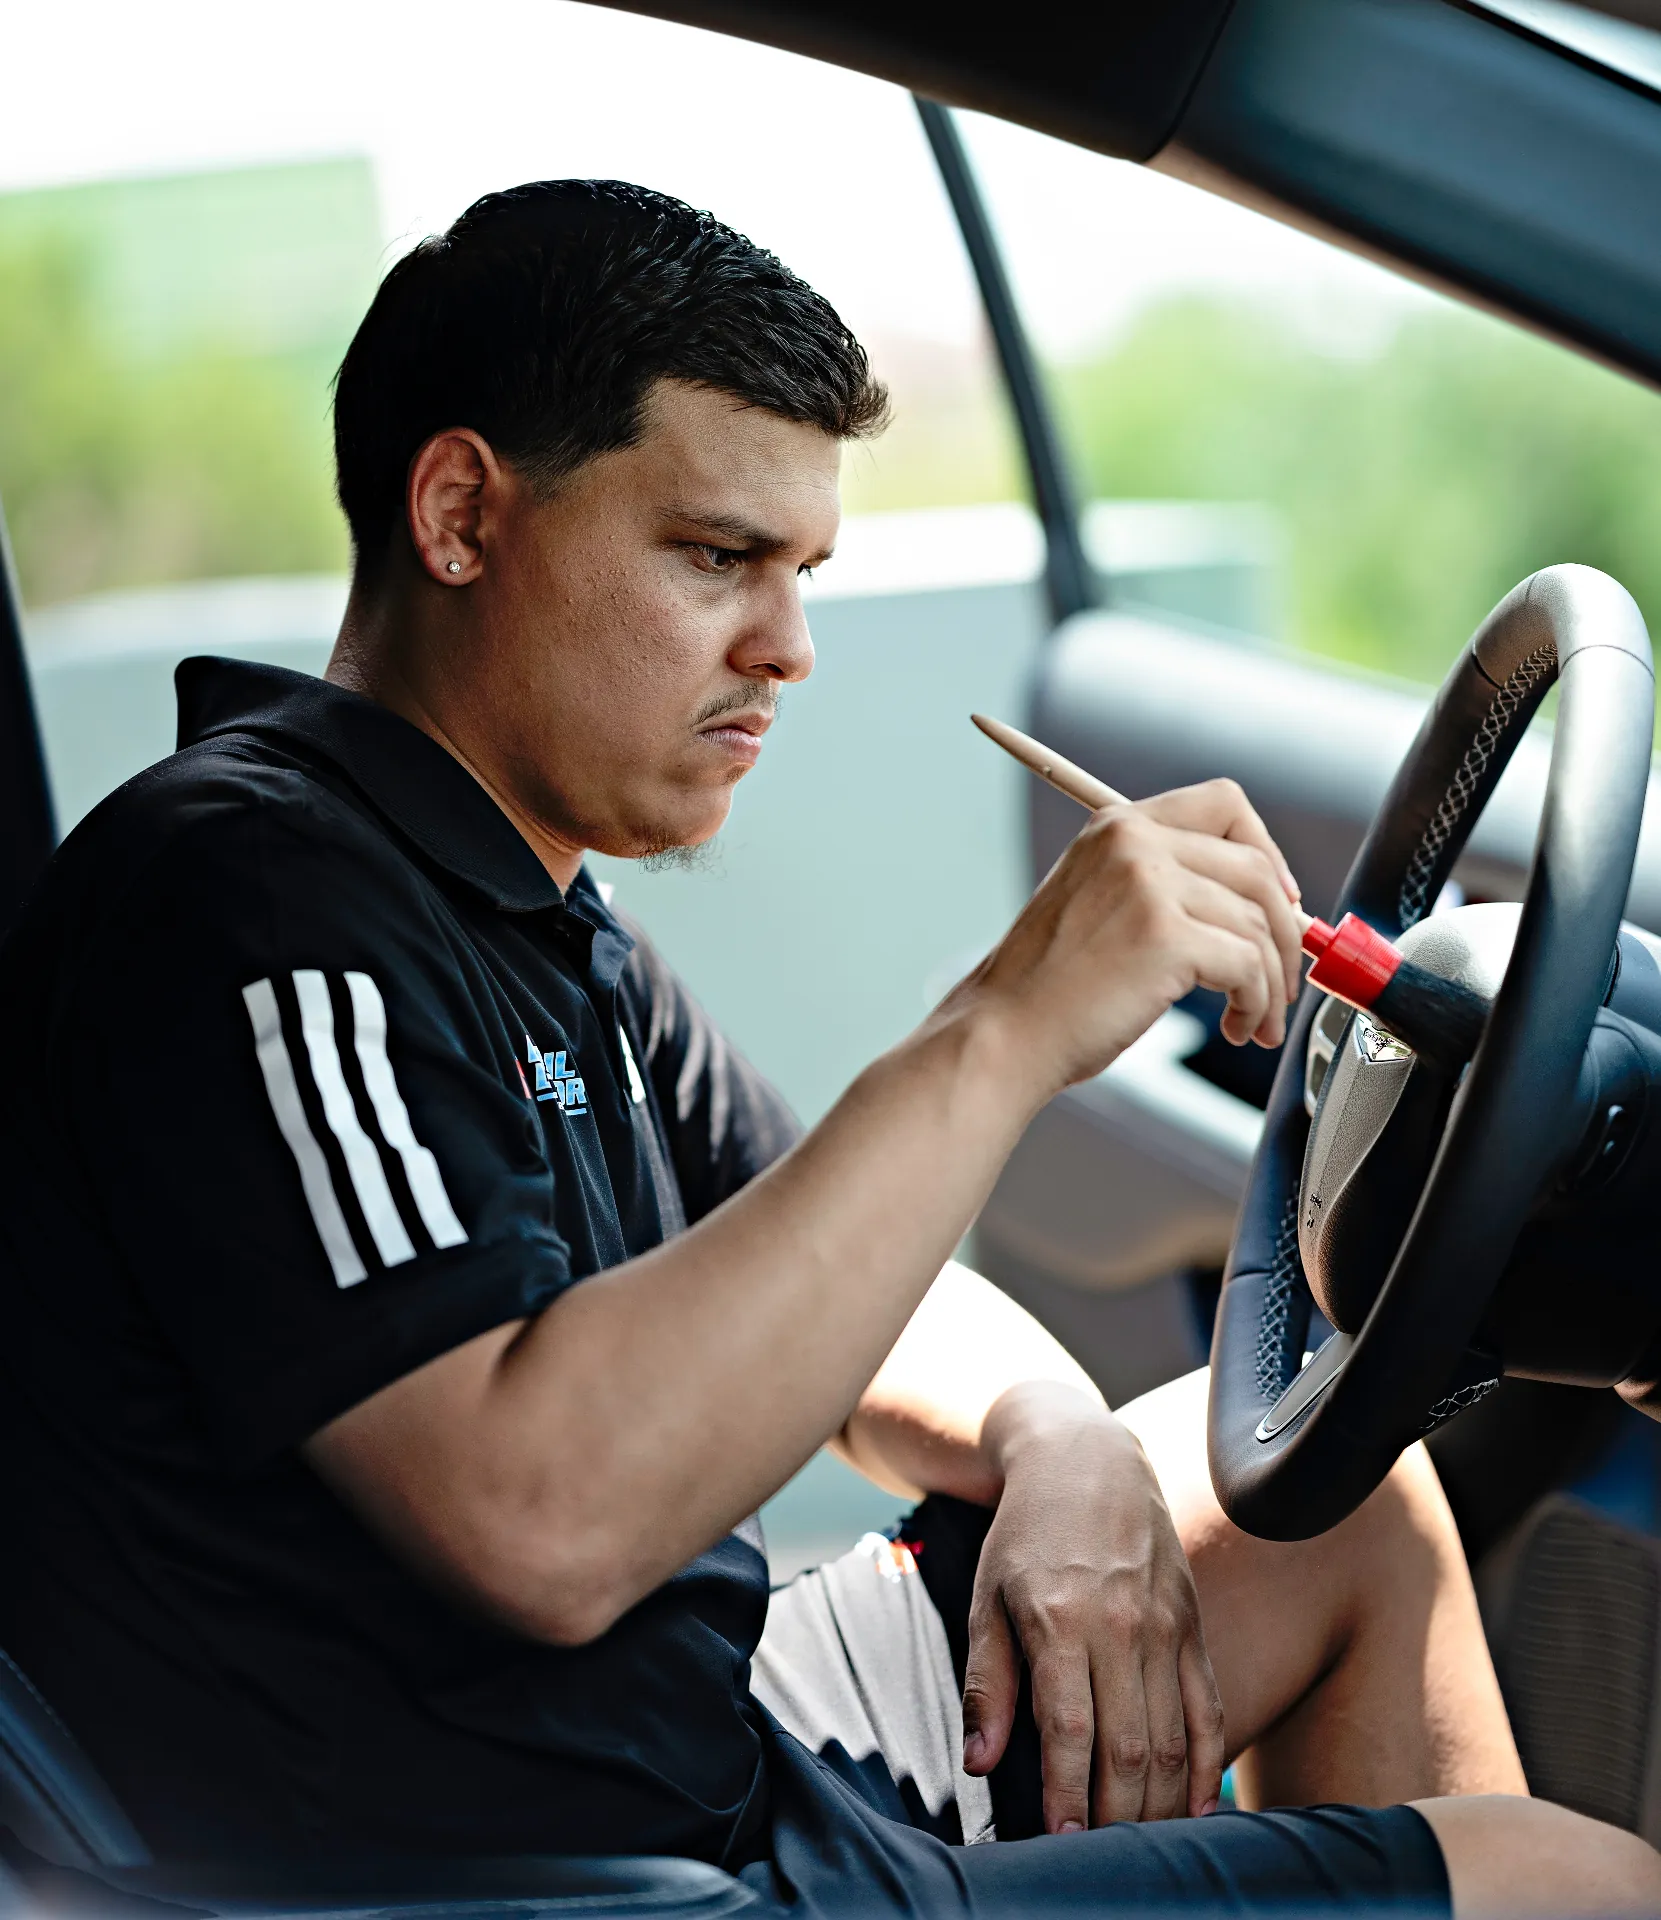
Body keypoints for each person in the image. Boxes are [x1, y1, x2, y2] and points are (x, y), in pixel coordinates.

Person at [0, 180, 1652, 1918]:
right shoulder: (254, 906)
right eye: (716, 557)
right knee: (1584, 1886)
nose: (784, 649)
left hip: (711, 1739)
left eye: (802, 573)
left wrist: (1054, 1440)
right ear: (463, 513)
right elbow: (537, 1520)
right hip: (553, 1870)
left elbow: (836, 1270)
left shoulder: (532, 915)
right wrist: (1007, 1028)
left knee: (1345, 1510)